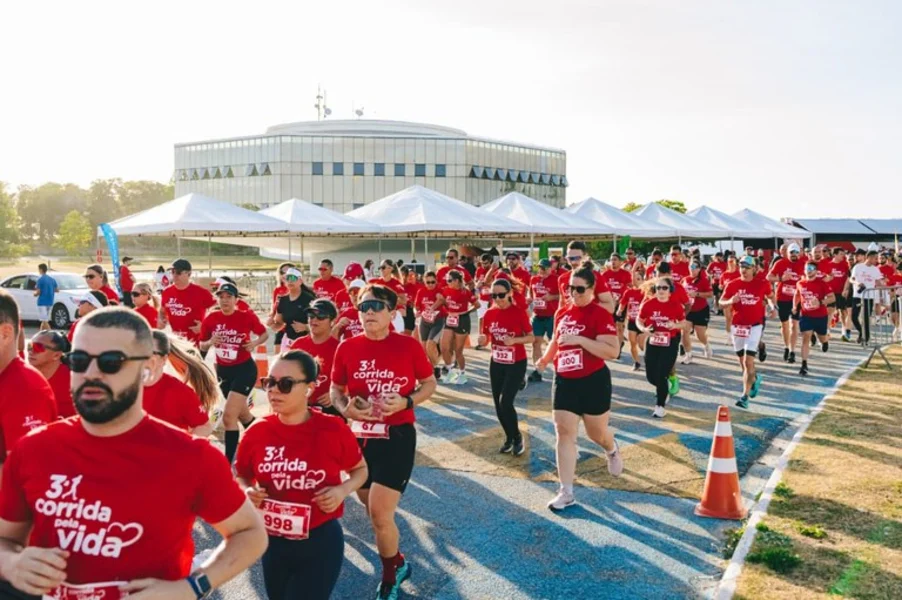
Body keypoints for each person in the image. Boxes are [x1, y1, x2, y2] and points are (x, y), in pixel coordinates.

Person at [0, 307, 267, 598]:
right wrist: (12, 562)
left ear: (149, 366)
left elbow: (250, 533)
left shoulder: (191, 456)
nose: (91, 374)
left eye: (110, 362)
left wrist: (193, 586)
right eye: (79, 361)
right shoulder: (34, 449)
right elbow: (5, 538)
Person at [329, 284, 437, 599]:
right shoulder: (347, 347)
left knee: (378, 513)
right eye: (364, 307)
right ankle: (398, 558)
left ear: (392, 312)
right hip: (361, 438)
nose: (370, 313)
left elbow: (429, 383)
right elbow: (337, 389)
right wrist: (343, 407)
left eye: (377, 307)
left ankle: (392, 575)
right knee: (369, 505)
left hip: (398, 436)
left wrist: (406, 402)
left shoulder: (407, 346)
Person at [236, 351, 368, 600]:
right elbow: (241, 474)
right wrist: (246, 490)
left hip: (319, 541)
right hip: (272, 543)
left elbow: (361, 470)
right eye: (269, 383)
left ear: (309, 388)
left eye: (285, 384)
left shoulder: (332, 429)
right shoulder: (257, 432)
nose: (273, 391)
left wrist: (342, 490)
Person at [536, 260, 623, 511]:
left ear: (593, 289)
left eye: (580, 289)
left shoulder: (599, 314)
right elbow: (557, 341)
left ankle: (611, 447)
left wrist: (580, 340)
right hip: (564, 379)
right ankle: (566, 491)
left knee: (596, 433)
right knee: (563, 433)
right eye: (570, 289)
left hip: (593, 380)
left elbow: (612, 350)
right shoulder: (562, 313)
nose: (573, 294)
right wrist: (543, 362)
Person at [200, 282, 269, 465]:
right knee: (243, 416)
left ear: (236, 300)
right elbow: (202, 345)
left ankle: (228, 461)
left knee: (229, 416)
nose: (224, 301)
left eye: (229, 297)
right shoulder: (211, 318)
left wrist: (254, 343)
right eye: (221, 297)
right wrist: (211, 342)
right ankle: (267, 441)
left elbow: (264, 334)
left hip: (244, 370)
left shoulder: (245, 317)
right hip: (223, 371)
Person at [478, 279, 534, 456]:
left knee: (505, 402)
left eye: (501, 295)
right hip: (497, 362)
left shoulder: (518, 312)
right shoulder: (489, 313)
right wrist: (483, 340)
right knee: (497, 405)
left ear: (509, 293)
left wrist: (515, 340)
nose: (498, 299)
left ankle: (517, 438)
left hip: (516, 362)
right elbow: (486, 336)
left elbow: (531, 337)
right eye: (494, 296)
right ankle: (509, 437)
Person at [720, 255, 776, 409]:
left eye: (747, 267)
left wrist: (772, 306)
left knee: (747, 361)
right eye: (741, 267)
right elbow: (720, 303)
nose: (743, 270)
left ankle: (744, 396)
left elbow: (770, 296)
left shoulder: (762, 283)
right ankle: (754, 378)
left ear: (754, 269)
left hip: (755, 326)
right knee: (743, 364)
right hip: (737, 326)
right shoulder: (732, 284)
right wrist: (730, 301)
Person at [143, 330, 217, 436]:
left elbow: (204, 426)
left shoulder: (180, 392)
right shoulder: (119, 388)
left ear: (163, 359)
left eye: (150, 353)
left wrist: (185, 447)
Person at [637, 278, 687, 418]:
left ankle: (660, 406)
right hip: (653, 341)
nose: (661, 291)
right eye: (658, 288)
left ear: (670, 290)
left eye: (664, 288)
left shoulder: (676, 305)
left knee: (661, 374)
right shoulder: (648, 304)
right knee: (651, 376)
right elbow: (639, 320)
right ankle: (664, 388)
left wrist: (674, 325)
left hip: (670, 342)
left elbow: (683, 323)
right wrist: (644, 329)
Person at [290, 299, 341, 417]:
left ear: (332, 321)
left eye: (321, 316)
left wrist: (335, 394)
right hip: (301, 406)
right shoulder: (298, 345)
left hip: (330, 408)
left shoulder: (340, 348)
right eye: (311, 315)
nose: (314, 320)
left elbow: (351, 379)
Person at [161, 258, 216, 347]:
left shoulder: (201, 292)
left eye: (178, 272)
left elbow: (218, 312)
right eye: (172, 272)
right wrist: (161, 318)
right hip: (177, 342)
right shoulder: (167, 292)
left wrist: (204, 326)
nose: (174, 275)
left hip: (197, 342)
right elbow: (162, 310)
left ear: (189, 274)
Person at [794, 262, 835, 376]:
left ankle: (825, 342)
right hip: (806, 316)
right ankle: (804, 364)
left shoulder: (822, 283)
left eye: (812, 269)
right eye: (807, 268)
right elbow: (797, 295)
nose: (809, 271)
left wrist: (821, 302)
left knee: (822, 337)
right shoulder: (800, 283)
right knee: (805, 337)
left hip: (820, 316)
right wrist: (794, 306)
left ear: (816, 271)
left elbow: (832, 298)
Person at [767, 243, 806, 364]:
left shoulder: (804, 263)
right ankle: (786, 346)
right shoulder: (781, 263)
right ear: (787, 253)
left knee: (794, 325)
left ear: (799, 253)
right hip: (783, 297)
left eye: (796, 252)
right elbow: (769, 277)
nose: (794, 255)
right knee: (784, 325)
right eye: (791, 253)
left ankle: (792, 351)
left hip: (797, 299)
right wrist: (781, 279)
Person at [439, 270, 479, 385]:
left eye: (450, 280)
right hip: (449, 320)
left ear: (457, 281)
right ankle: (450, 370)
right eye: (447, 280)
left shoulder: (465, 292)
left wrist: (464, 312)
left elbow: (477, 305)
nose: (448, 282)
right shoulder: (446, 290)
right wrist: (447, 310)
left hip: (462, 321)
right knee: (444, 347)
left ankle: (462, 373)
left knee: (458, 351)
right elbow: (442, 302)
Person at [26, 330, 74, 419]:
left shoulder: (75, 379)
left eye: (38, 347)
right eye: (30, 346)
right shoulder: (23, 377)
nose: (31, 351)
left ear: (56, 355)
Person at [558, 241, 615, 312]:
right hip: (571, 321)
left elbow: (610, 308)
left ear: (585, 256)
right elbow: (561, 305)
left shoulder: (595, 276)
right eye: (570, 258)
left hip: (590, 321)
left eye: (577, 258)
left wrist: (586, 302)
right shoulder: (562, 278)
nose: (574, 262)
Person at [528, 259, 559, 382]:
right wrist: (529, 299)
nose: (541, 270)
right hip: (538, 315)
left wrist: (552, 297)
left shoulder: (556, 279)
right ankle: (538, 371)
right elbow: (531, 294)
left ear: (550, 268)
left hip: (552, 316)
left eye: (544, 268)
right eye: (540, 267)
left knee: (555, 344)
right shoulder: (534, 279)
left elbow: (564, 295)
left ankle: (559, 370)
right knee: (536, 343)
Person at [272, 268, 317, 352]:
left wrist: (306, 327)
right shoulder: (282, 300)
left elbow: (321, 322)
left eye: (293, 278)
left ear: (300, 281)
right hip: (288, 342)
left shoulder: (309, 299)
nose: (290, 281)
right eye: (287, 278)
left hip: (307, 342)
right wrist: (272, 324)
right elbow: (279, 322)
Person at [415, 271, 446, 379]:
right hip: (424, 322)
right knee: (424, 349)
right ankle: (433, 368)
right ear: (424, 281)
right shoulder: (421, 291)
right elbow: (418, 306)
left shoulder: (439, 291)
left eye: (433, 282)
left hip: (437, 321)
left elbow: (442, 300)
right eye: (428, 282)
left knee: (430, 345)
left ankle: (435, 367)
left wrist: (433, 307)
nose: (430, 284)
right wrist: (418, 312)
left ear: (436, 281)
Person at [849, 250, 885, 344]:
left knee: (866, 317)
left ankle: (866, 337)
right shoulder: (858, 267)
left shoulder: (875, 269)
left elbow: (878, 282)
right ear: (868, 257)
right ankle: (862, 332)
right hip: (857, 295)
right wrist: (857, 283)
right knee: (854, 317)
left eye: (877, 258)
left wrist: (884, 286)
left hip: (869, 296)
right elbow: (851, 279)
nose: (876, 260)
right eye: (875, 258)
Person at [601, 254, 633, 356]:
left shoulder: (625, 274)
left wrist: (624, 299)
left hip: (621, 304)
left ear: (620, 262)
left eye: (615, 260)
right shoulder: (605, 275)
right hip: (609, 304)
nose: (613, 262)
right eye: (611, 260)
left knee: (620, 326)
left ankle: (618, 349)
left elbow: (630, 288)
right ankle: (617, 343)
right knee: (611, 326)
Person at [681, 261, 714, 362]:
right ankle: (688, 355)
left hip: (701, 310)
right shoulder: (685, 280)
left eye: (695, 267)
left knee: (700, 335)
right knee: (684, 332)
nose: (692, 269)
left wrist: (697, 294)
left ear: (699, 269)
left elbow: (710, 294)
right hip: (688, 310)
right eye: (691, 266)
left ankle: (706, 345)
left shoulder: (703, 280)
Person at [618, 269, 647, 371]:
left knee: (641, 343)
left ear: (643, 280)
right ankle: (637, 362)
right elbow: (623, 303)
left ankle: (649, 356)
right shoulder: (628, 292)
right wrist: (619, 310)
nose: (635, 280)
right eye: (634, 278)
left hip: (644, 321)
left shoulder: (646, 292)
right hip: (632, 320)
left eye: (638, 279)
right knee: (632, 342)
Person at [370, 260, 408, 332]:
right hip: (379, 313)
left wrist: (390, 299)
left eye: (383, 267)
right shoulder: (376, 283)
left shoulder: (397, 284)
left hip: (393, 314)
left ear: (391, 269)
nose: (381, 269)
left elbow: (404, 301)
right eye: (380, 268)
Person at [268, 262, 295, 348]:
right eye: (282, 272)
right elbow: (274, 306)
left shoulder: (297, 288)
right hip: (280, 326)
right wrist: (271, 317)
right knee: (278, 354)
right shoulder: (278, 289)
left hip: (294, 327)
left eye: (287, 272)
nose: (284, 275)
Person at [33, 263, 58, 331]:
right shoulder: (52, 279)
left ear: (41, 270)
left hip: (42, 302)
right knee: (44, 320)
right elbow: (57, 290)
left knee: (44, 321)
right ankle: (41, 334)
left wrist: (34, 294)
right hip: (50, 302)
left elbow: (38, 292)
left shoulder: (40, 279)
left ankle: (52, 335)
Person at [400, 266, 422, 336]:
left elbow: (417, 302)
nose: (403, 277)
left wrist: (413, 303)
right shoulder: (397, 286)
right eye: (401, 274)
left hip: (409, 312)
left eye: (405, 275)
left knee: (407, 333)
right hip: (398, 311)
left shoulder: (413, 287)